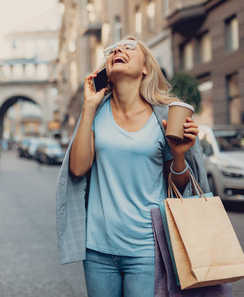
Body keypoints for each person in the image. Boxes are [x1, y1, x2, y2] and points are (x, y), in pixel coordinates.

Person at [55, 35, 209, 297]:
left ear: (146, 68)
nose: (119, 49)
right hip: (97, 251)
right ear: (108, 72)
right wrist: (89, 107)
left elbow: (182, 190)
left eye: (129, 46)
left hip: (147, 250)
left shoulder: (165, 116)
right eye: (114, 49)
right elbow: (78, 169)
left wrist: (180, 154)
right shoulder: (95, 112)